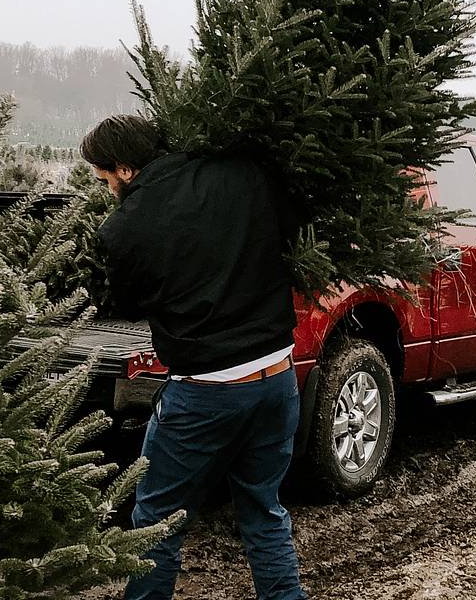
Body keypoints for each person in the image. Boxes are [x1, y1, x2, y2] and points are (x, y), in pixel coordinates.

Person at [81, 114, 307, 600]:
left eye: (104, 180)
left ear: (123, 169)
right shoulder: (242, 172)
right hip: (277, 377)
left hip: (205, 392)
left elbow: (126, 303)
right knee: (264, 513)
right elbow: (290, 236)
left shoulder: (124, 229)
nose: (107, 191)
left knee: (156, 522)